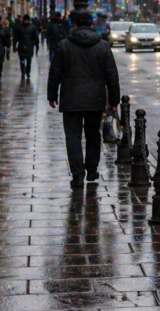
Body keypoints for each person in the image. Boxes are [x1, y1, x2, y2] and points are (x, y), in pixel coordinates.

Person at [48, 11, 121, 188]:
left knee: (72, 136)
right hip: (95, 98)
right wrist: (114, 99)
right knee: (93, 134)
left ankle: (77, 175)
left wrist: (52, 95)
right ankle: (92, 170)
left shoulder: (64, 45)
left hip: (71, 99)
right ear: (91, 24)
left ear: (74, 24)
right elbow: (111, 74)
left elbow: (55, 72)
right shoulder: (103, 46)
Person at [12, 14, 39, 80]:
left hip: (25, 46)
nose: (26, 21)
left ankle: (26, 72)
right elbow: (36, 38)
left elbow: (36, 37)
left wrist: (14, 45)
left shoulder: (22, 27)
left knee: (27, 61)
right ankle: (25, 73)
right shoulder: (32, 27)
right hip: (25, 47)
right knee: (24, 61)